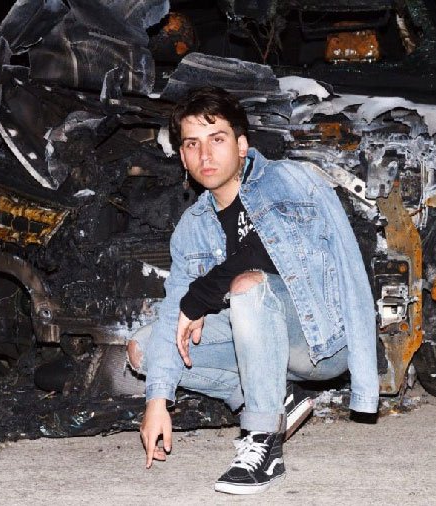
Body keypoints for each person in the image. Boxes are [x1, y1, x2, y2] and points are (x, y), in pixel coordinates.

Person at [127, 86, 378, 495]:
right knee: (145, 348)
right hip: (257, 337)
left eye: (217, 139)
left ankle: (264, 441)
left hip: (320, 341)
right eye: (192, 144)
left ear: (242, 145)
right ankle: (274, 398)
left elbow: (286, 255)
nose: (204, 155)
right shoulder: (193, 226)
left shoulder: (290, 180)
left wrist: (366, 381)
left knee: (248, 285)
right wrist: (157, 400)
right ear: (183, 157)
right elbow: (176, 309)